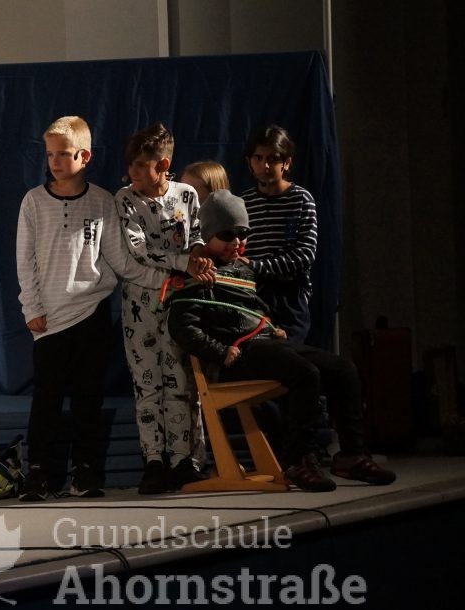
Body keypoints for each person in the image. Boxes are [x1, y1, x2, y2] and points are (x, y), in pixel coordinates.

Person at [166, 190, 395, 491]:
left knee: (344, 370)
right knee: (304, 374)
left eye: (243, 234)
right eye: (227, 235)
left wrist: (272, 327)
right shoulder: (197, 273)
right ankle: (298, 459)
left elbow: (254, 308)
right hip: (237, 356)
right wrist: (220, 351)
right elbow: (181, 326)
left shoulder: (242, 269)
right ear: (207, 235)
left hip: (266, 345)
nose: (236, 242)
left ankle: (352, 454)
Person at [14, 116, 174, 501]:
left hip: (91, 313)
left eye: (63, 154)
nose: (54, 161)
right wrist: (31, 307)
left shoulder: (102, 201)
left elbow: (121, 261)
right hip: (51, 319)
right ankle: (40, 472)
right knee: (47, 399)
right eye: (49, 154)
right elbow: (24, 261)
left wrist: (166, 280)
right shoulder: (34, 201)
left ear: (84, 156)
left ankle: (87, 472)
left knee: (89, 397)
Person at [114, 122, 213, 495]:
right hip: (140, 305)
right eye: (132, 165)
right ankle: (153, 460)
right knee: (147, 384)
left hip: (180, 303)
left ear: (164, 164)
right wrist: (183, 262)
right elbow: (139, 249)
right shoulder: (127, 199)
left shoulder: (186, 195)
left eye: (143, 165)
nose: (134, 172)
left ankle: (184, 460)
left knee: (181, 382)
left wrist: (198, 257)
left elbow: (198, 234)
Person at [240, 124, 318, 343]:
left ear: (287, 163)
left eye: (273, 159)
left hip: (289, 297)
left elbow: (305, 255)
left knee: (288, 354)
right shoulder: (244, 202)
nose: (265, 165)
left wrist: (257, 266)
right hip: (253, 294)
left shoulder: (301, 199)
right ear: (249, 162)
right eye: (258, 158)